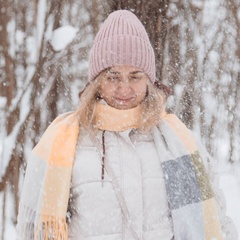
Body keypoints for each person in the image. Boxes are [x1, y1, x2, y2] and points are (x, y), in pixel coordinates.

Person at [17, 10, 237, 240]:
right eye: (113, 76)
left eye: (135, 76)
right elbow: (32, 230)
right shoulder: (63, 143)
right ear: (97, 82)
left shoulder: (178, 142)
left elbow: (217, 221)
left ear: (149, 81)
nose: (124, 89)